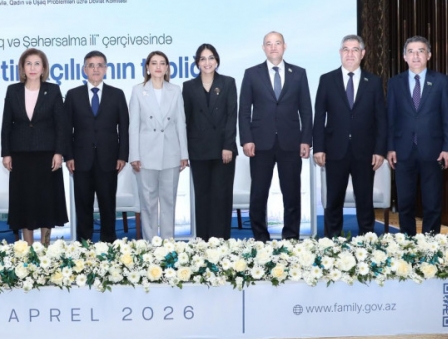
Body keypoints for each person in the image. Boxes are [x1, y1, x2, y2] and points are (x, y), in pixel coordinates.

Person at [238, 31, 312, 241]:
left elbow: (306, 110)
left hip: (291, 143)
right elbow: (244, 111)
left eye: (277, 43)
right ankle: (260, 239)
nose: (273, 47)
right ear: (263, 48)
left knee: (292, 194)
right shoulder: (251, 74)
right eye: (268, 44)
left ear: (284, 46)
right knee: (258, 195)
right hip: (260, 144)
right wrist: (246, 139)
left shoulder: (299, 73)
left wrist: (306, 140)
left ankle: (291, 237)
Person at [313, 34, 387, 237]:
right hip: (335, 151)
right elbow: (319, 117)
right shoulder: (327, 80)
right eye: (346, 49)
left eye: (355, 49)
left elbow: (381, 119)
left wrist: (380, 150)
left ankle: (368, 241)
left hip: (365, 152)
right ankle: (331, 242)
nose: (350, 54)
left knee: (365, 200)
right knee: (333, 200)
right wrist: (318, 147)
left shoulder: (373, 82)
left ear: (363, 54)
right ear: (340, 53)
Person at [387, 36, 448, 235]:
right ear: (404, 57)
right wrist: (390, 147)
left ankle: (430, 243)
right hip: (403, 151)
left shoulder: (442, 81)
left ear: (429, 55)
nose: (416, 56)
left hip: (433, 151)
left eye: (421, 51)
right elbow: (390, 118)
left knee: (432, 203)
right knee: (405, 202)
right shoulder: (395, 83)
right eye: (411, 51)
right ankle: (407, 242)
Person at [1, 48, 69, 245]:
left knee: (46, 202)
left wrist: (59, 152)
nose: (32, 68)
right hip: (20, 155)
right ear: (22, 67)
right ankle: (27, 248)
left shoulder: (53, 90)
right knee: (25, 203)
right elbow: (6, 125)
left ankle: (45, 246)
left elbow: (61, 125)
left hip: (47, 156)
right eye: (28, 63)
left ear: (43, 68)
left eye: (37, 63)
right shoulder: (13, 90)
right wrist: (6, 153)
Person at [64, 51, 129, 243]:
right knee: (83, 205)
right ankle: (84, 245)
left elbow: (124, 128)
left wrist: (122, 156)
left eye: (100, 65)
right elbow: (66, 129)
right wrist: (69, 156)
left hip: (109, 159)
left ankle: (108, 244)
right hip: (80, 160)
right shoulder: (73, 95)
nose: (95, 69)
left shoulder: (117, 94)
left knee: (108, 205)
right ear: (84, 70)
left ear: (106, 69)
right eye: (91, 65)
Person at [128, 50, 188, 240]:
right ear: (147, 67)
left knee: (169, 202)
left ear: (167, 67)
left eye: (162, 63)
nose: (158, 67)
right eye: (154, 63)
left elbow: (180, 123)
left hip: (171, 153)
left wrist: (184, 153)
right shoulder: (138, 91)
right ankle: (150, 245)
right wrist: (134, 155)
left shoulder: (175, 90)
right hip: (146, 155)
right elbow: (133, 126)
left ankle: (169, 244)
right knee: (148, 203)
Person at [182, 43, 237, 240]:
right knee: (202, 197)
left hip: (223, 150)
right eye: (203, 59)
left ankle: (221, 241)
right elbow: (186, 120)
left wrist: (228, 146)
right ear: (197, 63)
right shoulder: (188, 86)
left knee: (221, 197)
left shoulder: (228, 83)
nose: (207, 62)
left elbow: (232, 116)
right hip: (198, 150)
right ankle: (203, 242)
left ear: (217, 61)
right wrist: (185, 151)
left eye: (211, 58)